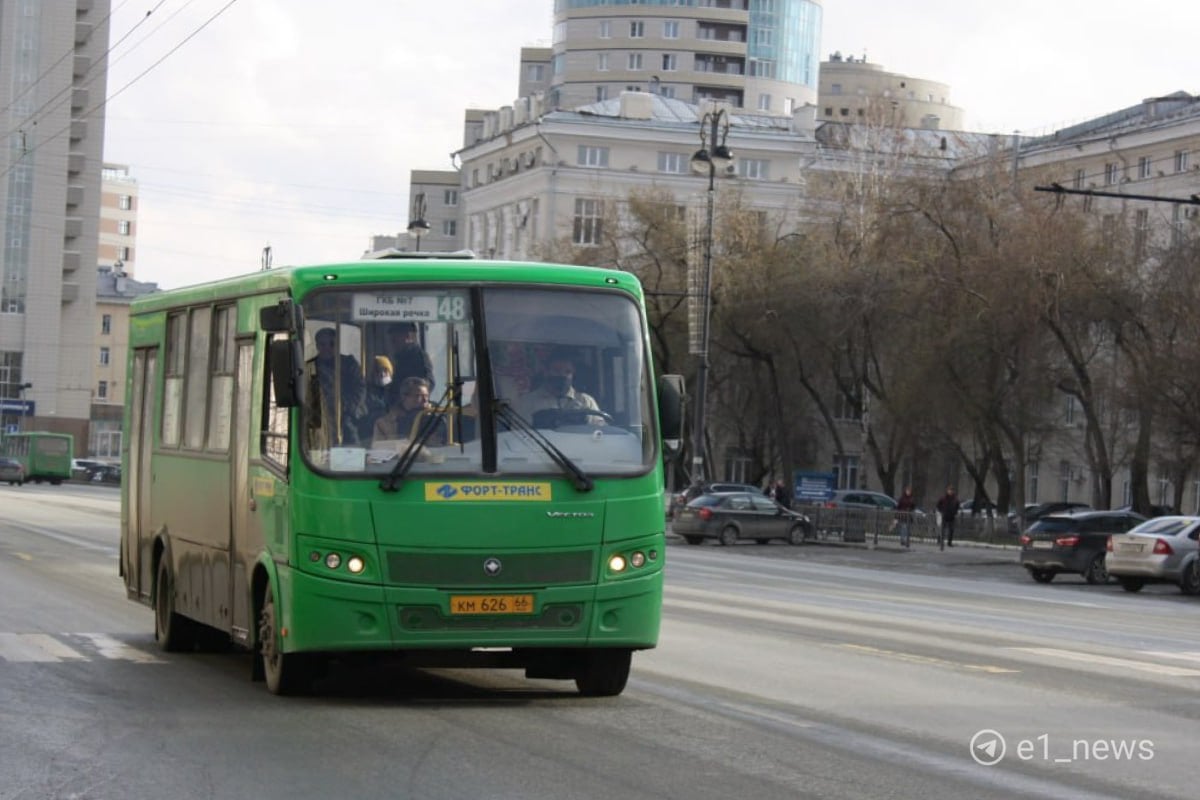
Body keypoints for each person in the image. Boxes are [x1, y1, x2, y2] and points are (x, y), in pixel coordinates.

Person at [513, 348, 604, 425]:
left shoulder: (586, 401)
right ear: (546, 372)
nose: (562, 375)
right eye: (557, 370)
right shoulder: (527, 402)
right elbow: (519, 437)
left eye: (568, 372)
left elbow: (600, 433)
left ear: (573, 375)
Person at [307, 327, 365, 446]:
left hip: (345, 416)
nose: (327, 348)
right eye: (323, 344)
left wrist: (343, 407)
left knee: (352, 449)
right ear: (317, 346)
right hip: (318, 418)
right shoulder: (310, 367)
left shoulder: (349, 364)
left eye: (331, 344)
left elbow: (360, 389)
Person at [372, 376, 446, 445]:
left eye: (426, 396)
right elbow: (379, 448)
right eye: (419, 396)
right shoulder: (384, 423)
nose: (425, 400)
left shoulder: (436, 417)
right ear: (404, 396)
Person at [387, 322, 434, 389]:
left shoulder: (418, 356)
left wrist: (414, 394)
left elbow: (429, 382)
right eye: (392, 341)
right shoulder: (401, 359)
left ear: (407, 336)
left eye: (395, 341)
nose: (392, 345)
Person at [359, 355, 394, 440]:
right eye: (378, 371)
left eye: (385, 370)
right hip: (370, 434)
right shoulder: (366, 391)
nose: (382, 374)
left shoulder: (395, 392)